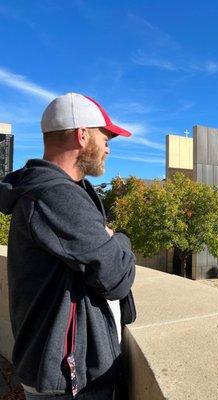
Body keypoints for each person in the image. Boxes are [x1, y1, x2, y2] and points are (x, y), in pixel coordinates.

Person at [0, 93, 137, 399]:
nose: (108, 147)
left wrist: (109, 239)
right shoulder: (57, 197)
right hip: (69, 380)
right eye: (105, 137)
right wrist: (120, 239)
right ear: (82, 134)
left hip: (67, 370)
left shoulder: (55, 191)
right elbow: (116, 276)